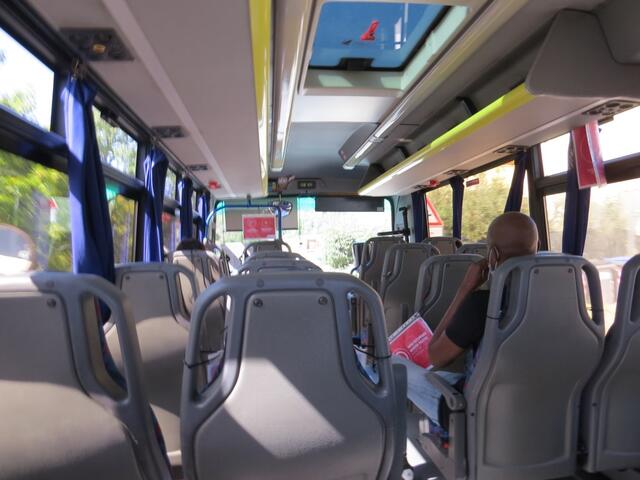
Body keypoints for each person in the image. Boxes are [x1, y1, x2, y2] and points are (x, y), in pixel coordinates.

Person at [420, 212, 539, 429]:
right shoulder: (560, 301)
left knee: (400, 369)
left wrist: (466, 288)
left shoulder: (482, 304)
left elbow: (435, 356)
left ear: (493, 255)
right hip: (539, 406)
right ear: (537, 247)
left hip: (480, 412)